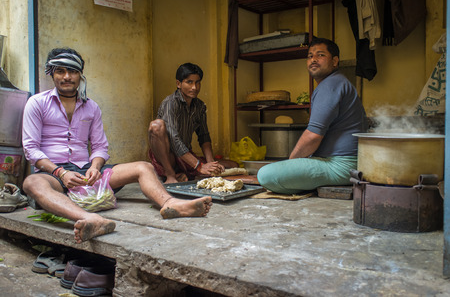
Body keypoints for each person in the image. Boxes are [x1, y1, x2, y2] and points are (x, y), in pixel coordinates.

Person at [22, 48, 213, 244]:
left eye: (73, 71)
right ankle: (92, 220)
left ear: (80, 75)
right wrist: (61, 173)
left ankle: (171, 204)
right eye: (60, 71)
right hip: (54, 174)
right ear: (52, 73)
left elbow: (99, 147)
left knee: (143, 167)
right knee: (32, 183)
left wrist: (95, 168)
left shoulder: (91, 107)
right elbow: (31, 149)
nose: (67, 77)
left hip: (86, 173)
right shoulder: (37, 103)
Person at [257, 38, 368, 194]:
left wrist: (291, 164)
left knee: (266, 175)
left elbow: (313, 136)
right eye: (310, 56)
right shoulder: (337, 82)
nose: (313, 60)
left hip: (341, 165)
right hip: (346, 163)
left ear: (335, 61)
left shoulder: (331, 85)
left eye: (320, 55)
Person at [148, 63, 237, 184]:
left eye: (197, 82)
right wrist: (199, 166)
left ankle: (180, 174)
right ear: (179, 84)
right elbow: (174, 140)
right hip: (167, 157)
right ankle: (170, 174)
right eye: (189, 82)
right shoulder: (171, 103)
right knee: (156, 126)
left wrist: (211, 163)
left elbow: (203, 135)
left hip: (185, 156)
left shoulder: (199, 106)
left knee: (232, 165)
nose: (194, 87)